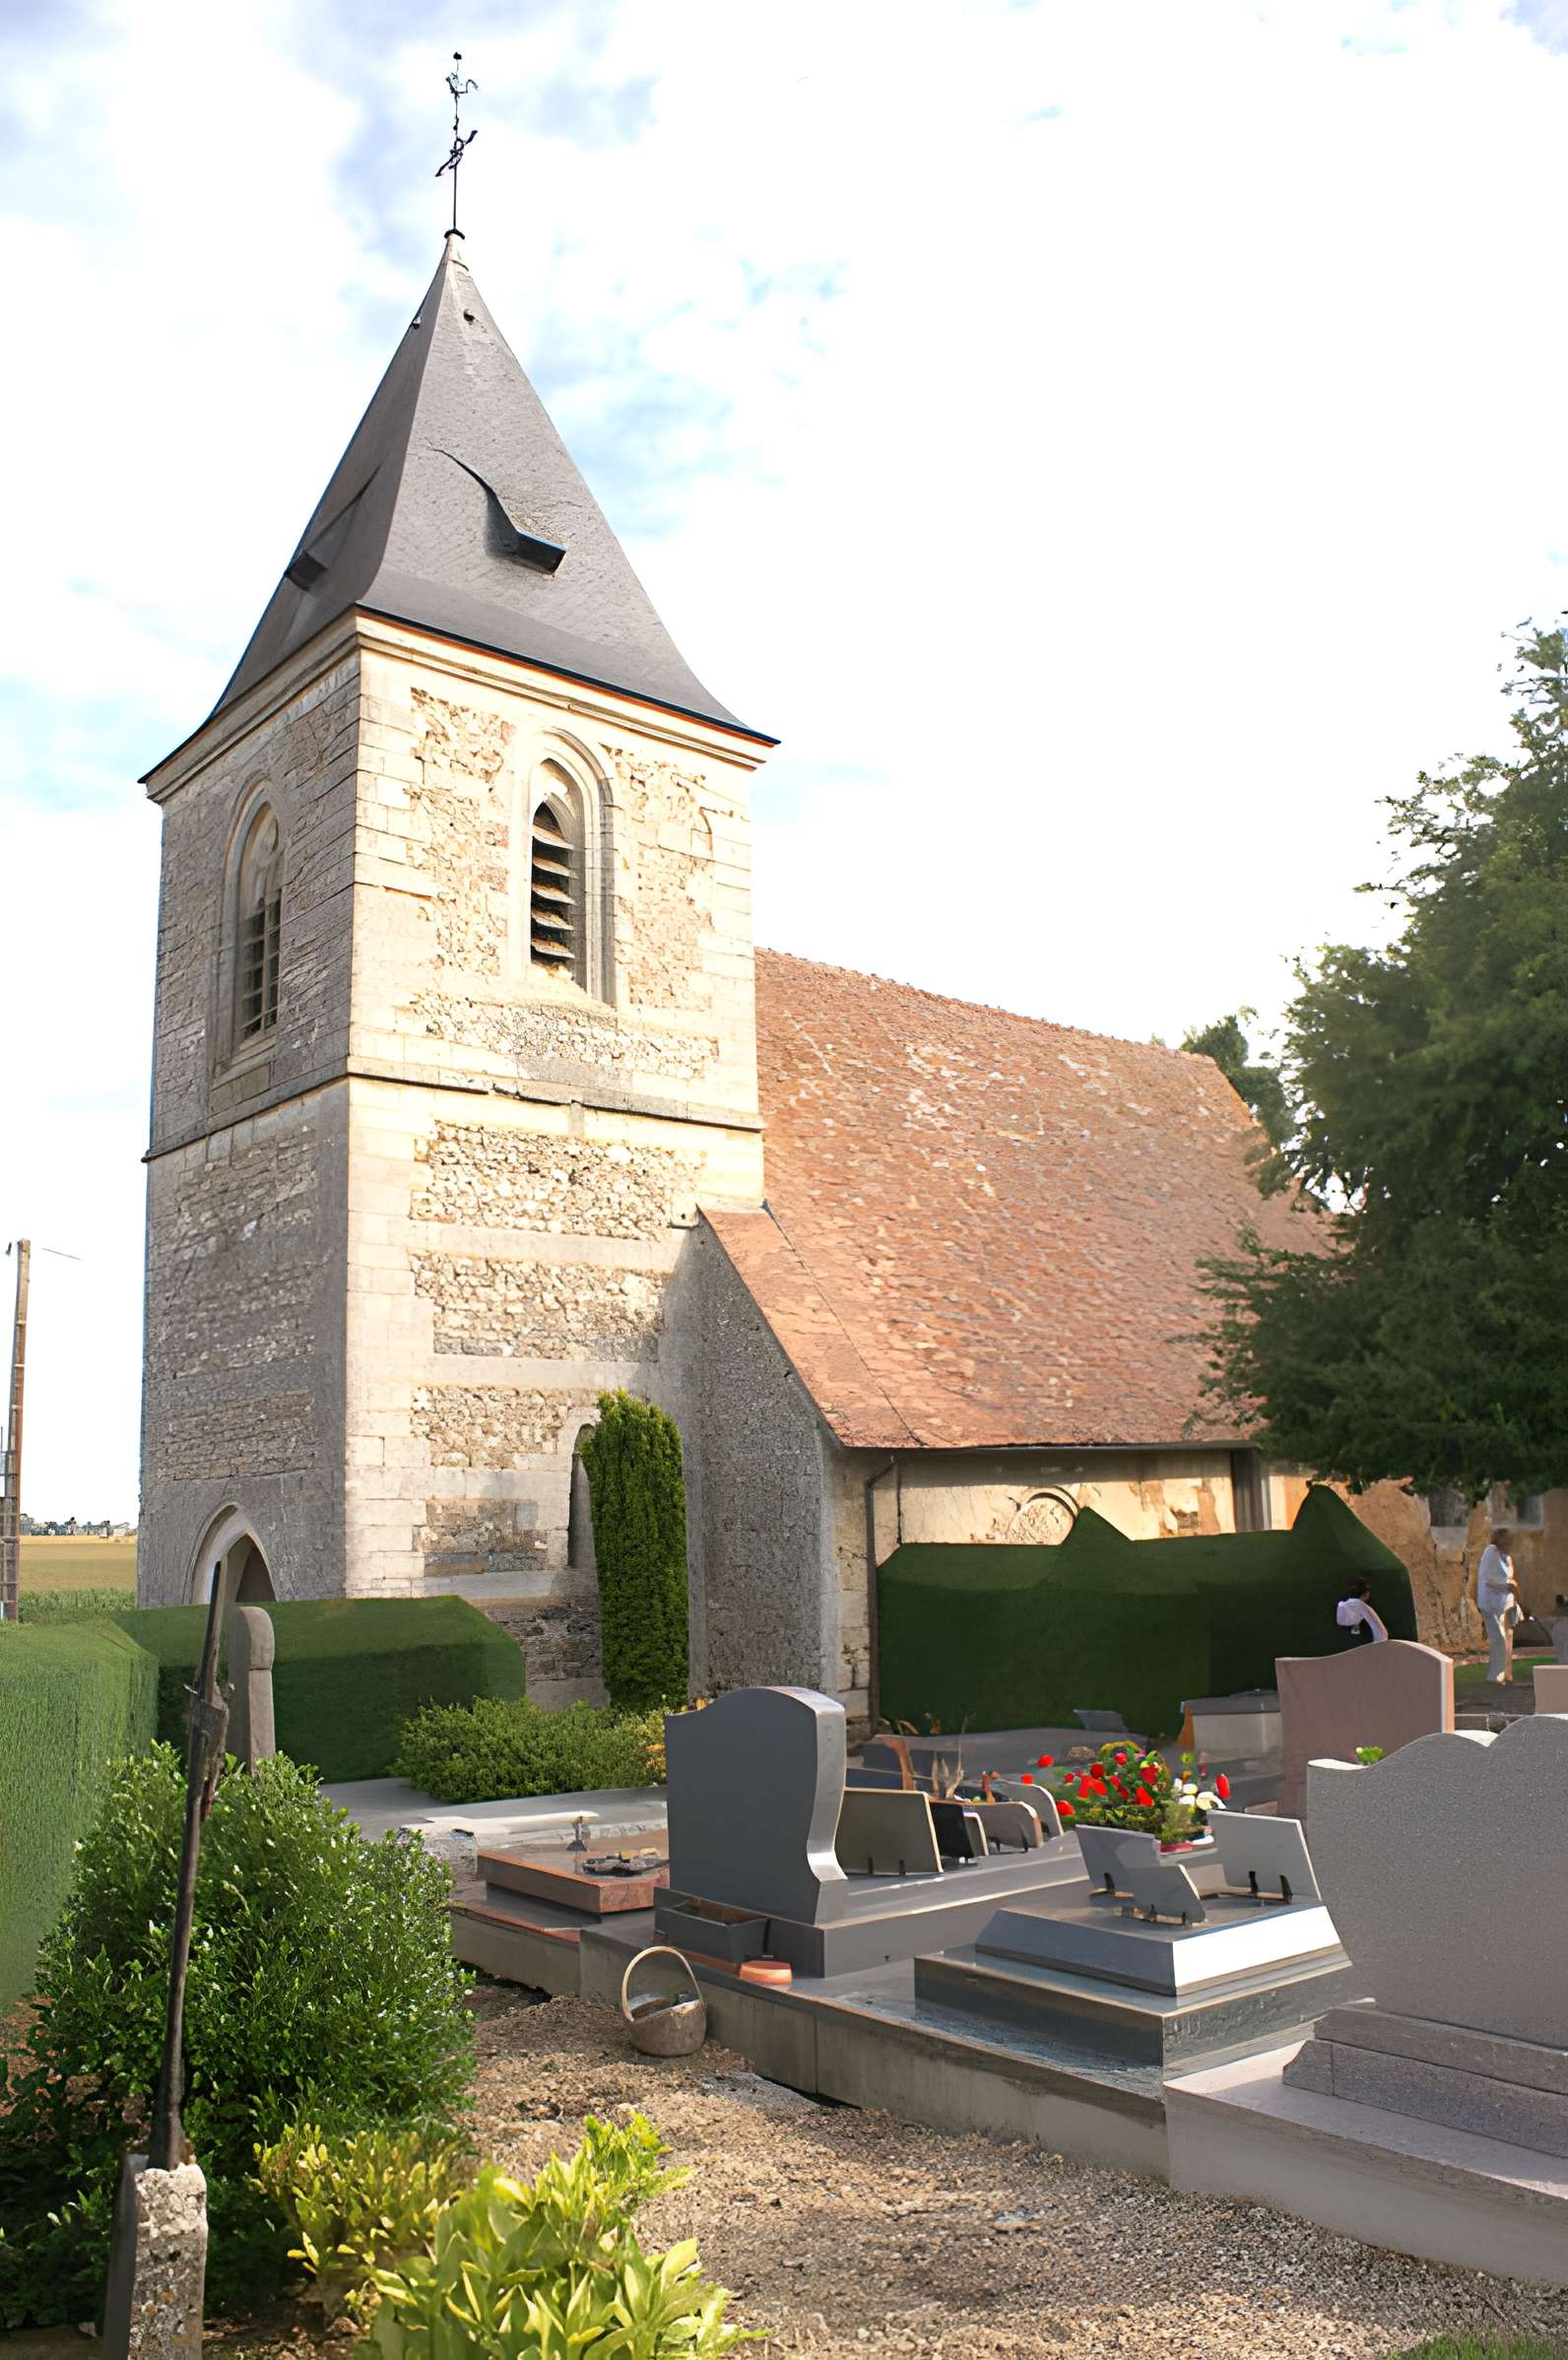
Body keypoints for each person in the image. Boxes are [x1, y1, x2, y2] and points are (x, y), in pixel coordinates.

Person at [1476, 1526, 1520, 1684]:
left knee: (1507, 1638)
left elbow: (1508, 1578)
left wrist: (1513, 1593)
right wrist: (1508, 1583)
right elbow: (1489, 1577)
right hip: (1490, 1603)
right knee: (1498, 1638)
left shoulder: (1506, 1556)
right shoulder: (1491, 1552)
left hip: (1504, 1602)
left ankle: (1506, 1673)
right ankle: (1495, 1674)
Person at [1336, 1578, 1389, 1646]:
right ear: (1366, 1593)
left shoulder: (1342, 1605)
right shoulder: (1362, 1606)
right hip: (1365, 1646)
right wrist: (1382, 1643)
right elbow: (1379, 1630)